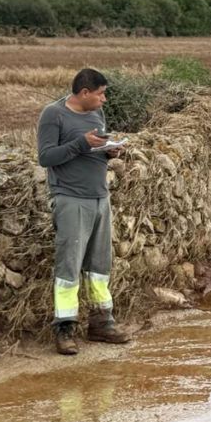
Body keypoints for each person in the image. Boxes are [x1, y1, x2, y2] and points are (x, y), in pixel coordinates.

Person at [36, 68, 134, 355]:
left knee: (99, 266)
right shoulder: (53, 114)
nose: (104, 100)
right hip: (70, 198)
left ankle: (102, 323)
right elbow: (46, 157)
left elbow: (94, 147)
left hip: (99, 197)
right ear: (85, 93)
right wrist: (81, 144)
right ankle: (64, 329)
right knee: (69, 267)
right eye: (101, 94)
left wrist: (110, 150)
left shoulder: (95, 115)